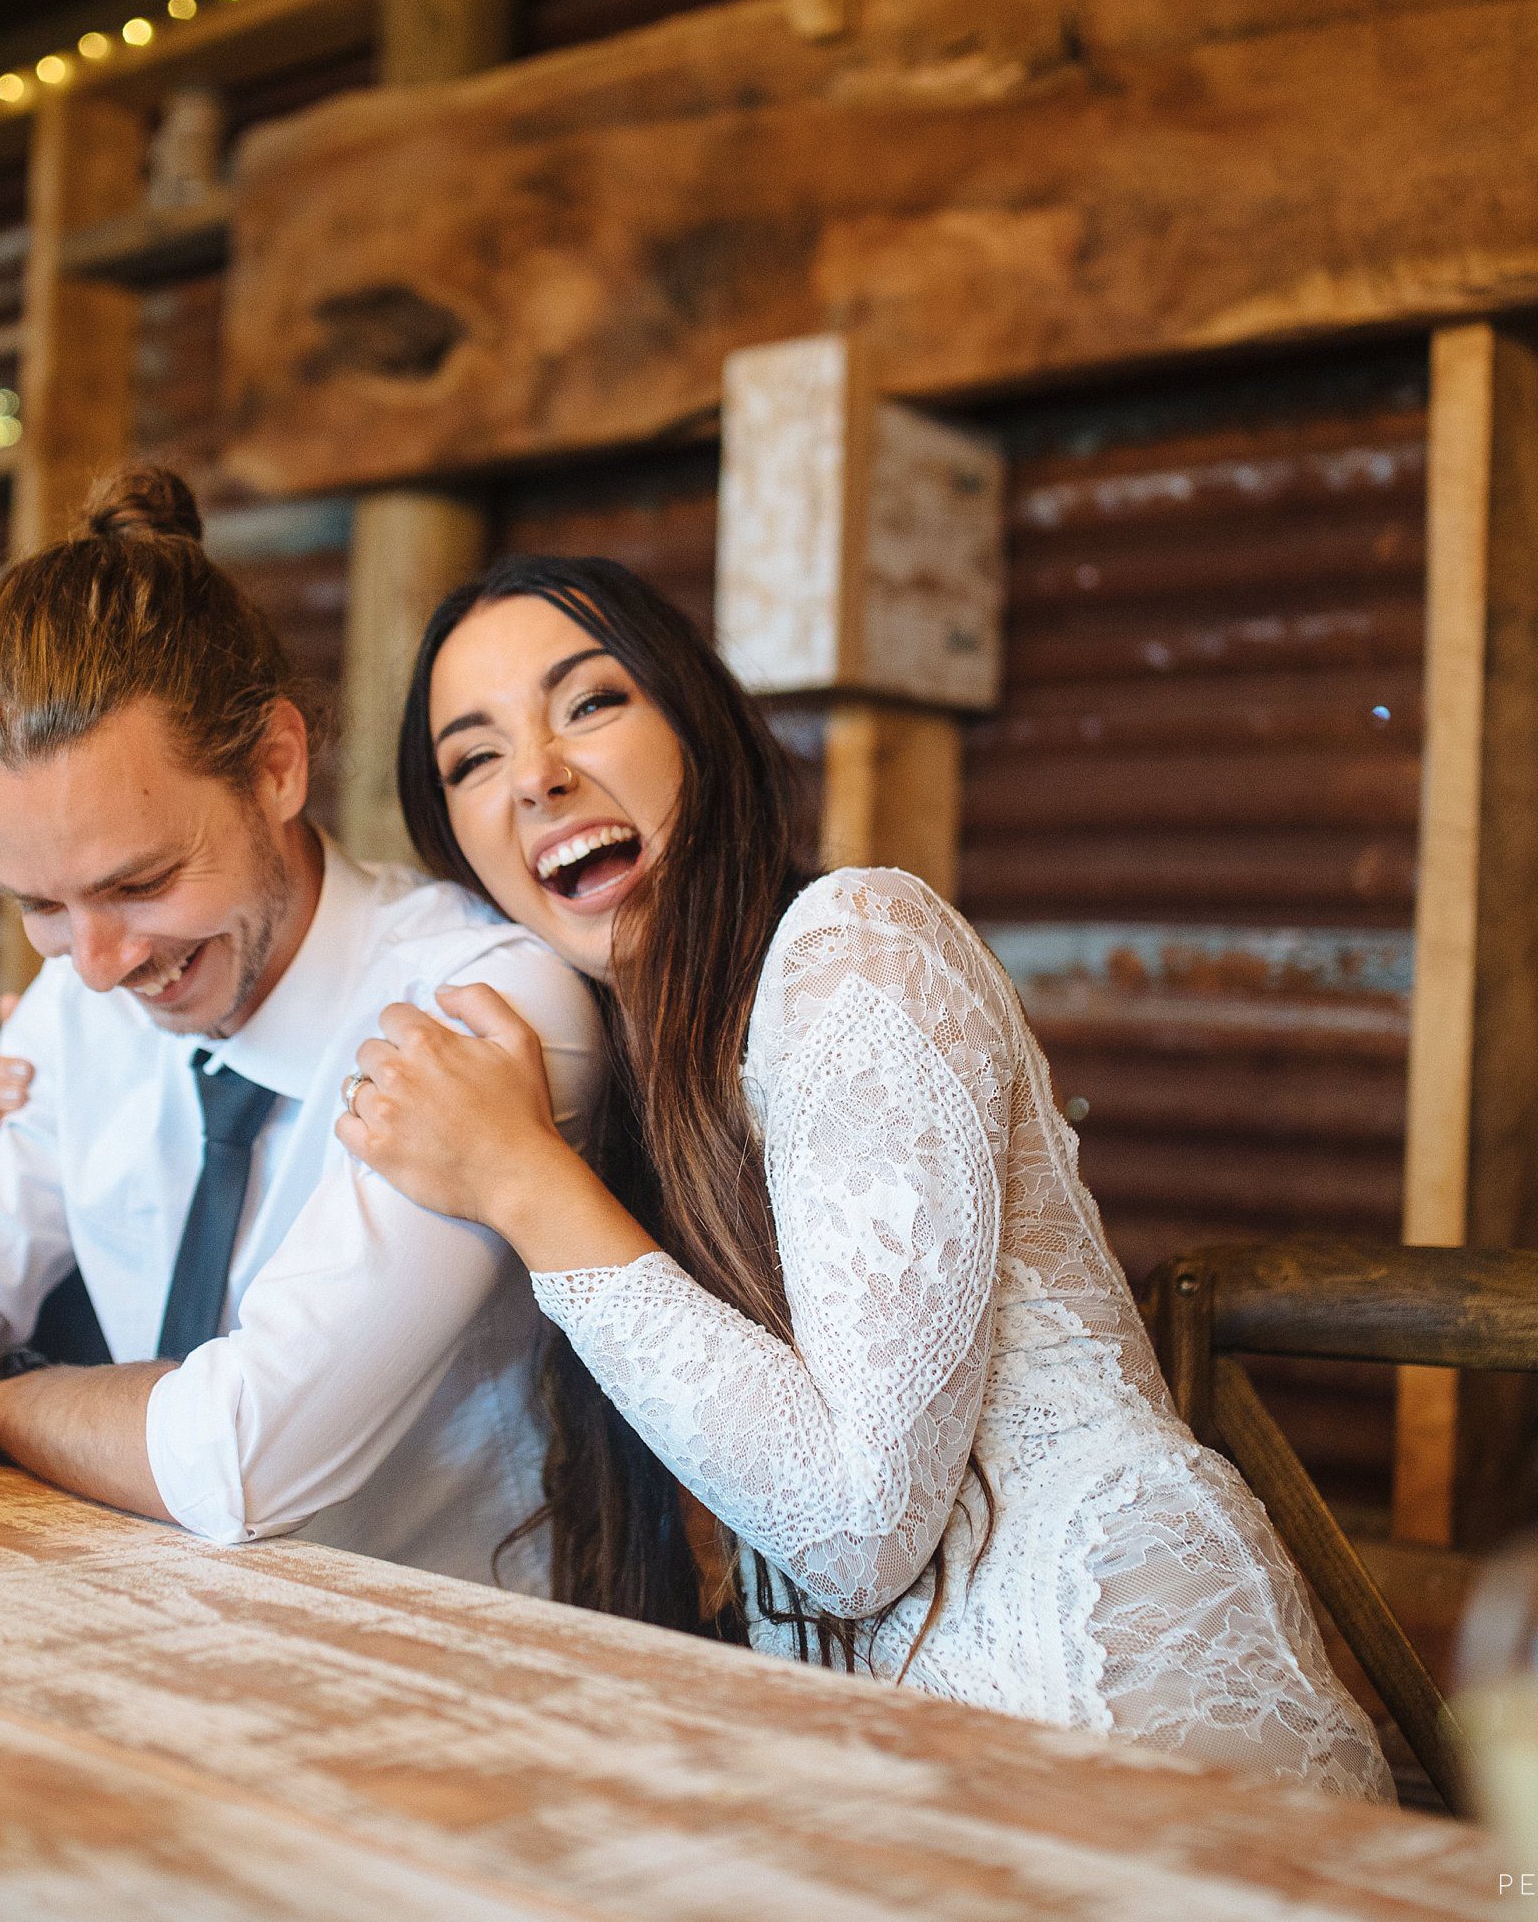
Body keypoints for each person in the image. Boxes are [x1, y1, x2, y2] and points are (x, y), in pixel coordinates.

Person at [322, 553, 1390, 1794]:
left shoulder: (857, 945)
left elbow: (857, 1529)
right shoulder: (636, 1086)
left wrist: (520, 1181)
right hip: (911, 1781)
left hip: (1118, 1728)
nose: (540, 774)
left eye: (592, 701)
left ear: (700, 728)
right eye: (472, 757)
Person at [0, 468, 603, 1593]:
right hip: (136, 1623)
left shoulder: (483, 1005)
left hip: (447, 1676)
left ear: (276, 764)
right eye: (40, 906)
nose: (103, 963)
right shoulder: (77, 997)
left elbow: (239, 1454)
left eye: (141, 881)